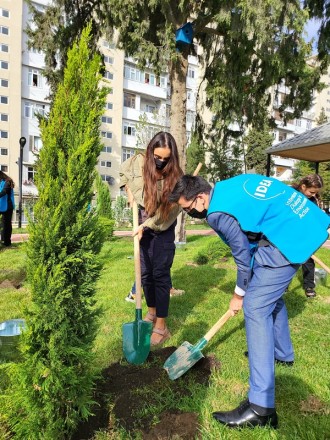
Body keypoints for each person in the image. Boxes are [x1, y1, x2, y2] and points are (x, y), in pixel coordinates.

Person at [169, 174, 329, 429]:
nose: (189, 213)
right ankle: (282, 353)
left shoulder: (217, 213)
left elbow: (242, 255)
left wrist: (238, 295)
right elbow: (252, 236)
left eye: (188, 209)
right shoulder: (226, 188)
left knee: (255, 306)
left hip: (289, 237)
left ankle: (260, 407)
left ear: (200, 198)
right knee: (268, 295)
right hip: (302, 225)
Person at [120, 132, 183, 346]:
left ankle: (162, 325)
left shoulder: (176, 179)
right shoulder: (139, 162)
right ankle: (152, 312)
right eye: (157, 157)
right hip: (142, 225)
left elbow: (165, 217)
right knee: (145, 275)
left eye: (166, 159)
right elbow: (124, 173)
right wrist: (129, 191)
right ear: (150, 152)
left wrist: (145, 226)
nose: (161, 162)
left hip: (162, 228)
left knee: (160, 275)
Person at [291, 174, 323, 298]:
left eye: (315, 192)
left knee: (308, 261)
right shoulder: (290, 193)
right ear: (303, 186)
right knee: (286, 260)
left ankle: (309, 286)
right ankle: (283, 286)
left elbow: (313, 219)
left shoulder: (312, 201)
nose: (313, 194)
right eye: (311, 191)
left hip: (304, 235)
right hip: (288, 234)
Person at [0, 171, 15, 247]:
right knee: (2, 224)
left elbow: (4, 192)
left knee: (6, 224)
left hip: (8, 205)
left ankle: (6, 242)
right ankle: (3, 241)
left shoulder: (8, 181)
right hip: (0, 205)